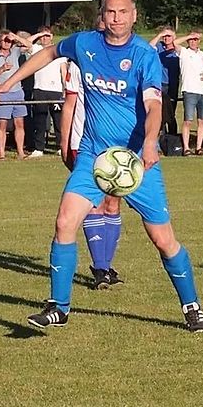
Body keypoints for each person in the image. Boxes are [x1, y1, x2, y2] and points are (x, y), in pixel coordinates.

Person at [0, 0, 203, 333]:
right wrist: (8, 82)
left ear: (134, 15)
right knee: (65, 222)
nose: (117, 18)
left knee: (163, 239)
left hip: (136, 161)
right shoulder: (84, 44)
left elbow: (154, 105)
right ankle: (58, 308)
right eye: (111, 12)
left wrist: (151, 142)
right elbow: (48, 52)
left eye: (123, 12)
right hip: (95, 157)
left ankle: (191, 305)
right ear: (102, 15)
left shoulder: (144, 55)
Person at [60, 59, 124, 289]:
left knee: (113, 203)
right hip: (84, 143)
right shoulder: (79, 64)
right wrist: (64, 142)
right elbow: (69, 104)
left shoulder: (122, 62)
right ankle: (99, 268)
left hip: (116, 144)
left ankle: (106, 266)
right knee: (93, 203)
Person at [0, 30, 31, 159]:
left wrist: (16, 37)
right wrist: (2, 69)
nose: (8, 43)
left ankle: (20, 152)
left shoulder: (15, 51)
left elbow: (29, 45)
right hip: (3, 93)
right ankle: (2, 153)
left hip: (18, 91)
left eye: (9, 41)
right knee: (2, 124)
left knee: (20, 123)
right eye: (5, 40)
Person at [27, 27, 66, 158]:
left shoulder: (58, 50)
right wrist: (39, 34)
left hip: (55, 91)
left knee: (58, 120)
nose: (45, 39)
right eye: (43, 36)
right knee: (40, 120)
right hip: (40, 89)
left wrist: (64, 89)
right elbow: (26, 42)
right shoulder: (37, 49)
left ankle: (61, 146)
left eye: (48, 36)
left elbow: (63, 70)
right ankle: (39, 148)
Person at [172, 31, 203, 155]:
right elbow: (175, 43)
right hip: (189, 90)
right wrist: (189, 35)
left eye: (196, 40)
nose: (194, 42)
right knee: (188, 120)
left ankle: (199, 147)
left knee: (202, 120)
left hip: (202, 91)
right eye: (191, 40)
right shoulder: (184, 52)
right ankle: (186, 148)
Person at [148, 26, 181, 136]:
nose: (166, 38)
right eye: (165, 36)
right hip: (160, 83)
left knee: (171, 112)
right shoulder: (159, 47)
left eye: (169, 36)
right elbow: (148, 47)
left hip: (172, 84)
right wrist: (159, 35)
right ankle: (161, 137)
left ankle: (172, 138)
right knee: (159, 111)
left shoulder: (178, 50)